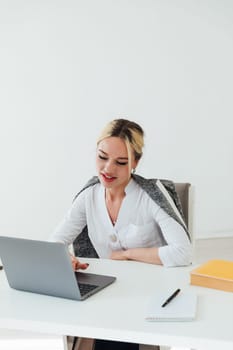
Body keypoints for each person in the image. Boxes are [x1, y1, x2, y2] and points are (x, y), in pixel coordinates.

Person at [50, 118, 192, 350]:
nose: (107, 169)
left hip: (145, 293)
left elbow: (182, 252)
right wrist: (65, 257)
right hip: (107, 293)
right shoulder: (89, 196)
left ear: (135, 162)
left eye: (121, 162)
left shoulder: (152, 196)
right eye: (102, 157)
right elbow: (55, 242)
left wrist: (129, 254)